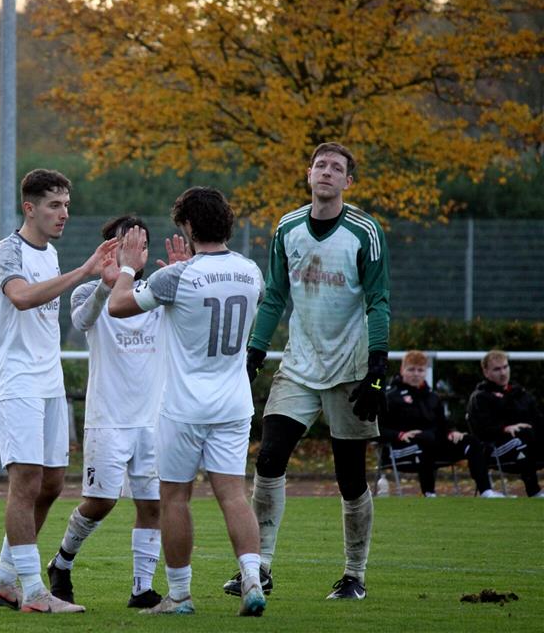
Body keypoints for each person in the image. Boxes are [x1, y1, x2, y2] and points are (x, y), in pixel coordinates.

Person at [222, 142, 390, 601]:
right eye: (320, 165)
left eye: (337, 168)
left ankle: (355, 574)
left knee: (350, 477)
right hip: (299, 365)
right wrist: (255, 352)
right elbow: (275, 295)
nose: (327, 172)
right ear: (308, 174)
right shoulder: (288, 227)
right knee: (270, 457)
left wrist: (377, 368)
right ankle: (260, 568)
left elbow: (378, 302)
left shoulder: (365, 231)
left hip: (351, 369)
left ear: (348, 182)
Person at [109, 187, 266, 617]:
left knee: (175, 497)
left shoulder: (177, 277)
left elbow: (118, 304)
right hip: (234, 402)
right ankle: (252, 578)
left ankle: (179, 595)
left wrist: (127, 268)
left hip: (184, 406)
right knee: (233, 494)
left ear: (190, 227)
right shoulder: (252, 271)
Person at [0, 168, 116, 614]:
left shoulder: (51, 254)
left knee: (53, 482)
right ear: (29, 208)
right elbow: (21, 298)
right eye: (55, 205)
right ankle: (34, 591)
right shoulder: (7, 252)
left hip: (48, 380)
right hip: (17, 379)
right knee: (25, 482)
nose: (64, 214)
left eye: (66, 205)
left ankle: (3, 580)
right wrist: (84, 271)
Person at [46, 215, 184, 610]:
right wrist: (109, 282)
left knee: (152, 504)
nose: (131, 252)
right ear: (108, 248)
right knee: (101, 501)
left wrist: (181, 277)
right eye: (123, 244)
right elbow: (81, 321)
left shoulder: (155, 292)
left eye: (137, 245)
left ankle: (141, 589)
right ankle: (62, 562)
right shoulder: (89, 293)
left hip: (152, 420)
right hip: (108, 418)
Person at [381, 350, 502, 497]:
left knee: (471, 441)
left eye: (420, 370)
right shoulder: (390, 397)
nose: (416, 374)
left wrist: (452, 432)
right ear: (402, 370)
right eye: (411, 369)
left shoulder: (432, 396)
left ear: (426, 372)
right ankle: (429, 493)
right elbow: (375, 429)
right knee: (426, 440)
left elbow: (442, 423)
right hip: (400, 448)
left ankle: (486, 491)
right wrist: (399, 435)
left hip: (432, 444)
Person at [466, 350, 542, 497]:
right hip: (493, 447)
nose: (503, 373)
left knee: (528, 435)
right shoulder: (480, 397)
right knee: (522, 439)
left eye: (505, 367)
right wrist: (504, 428)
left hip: (525, 441)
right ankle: (534, 491)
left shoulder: (520, 393)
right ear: (486, 372)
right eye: (497, 369)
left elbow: (537, 419)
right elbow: (480, 430)